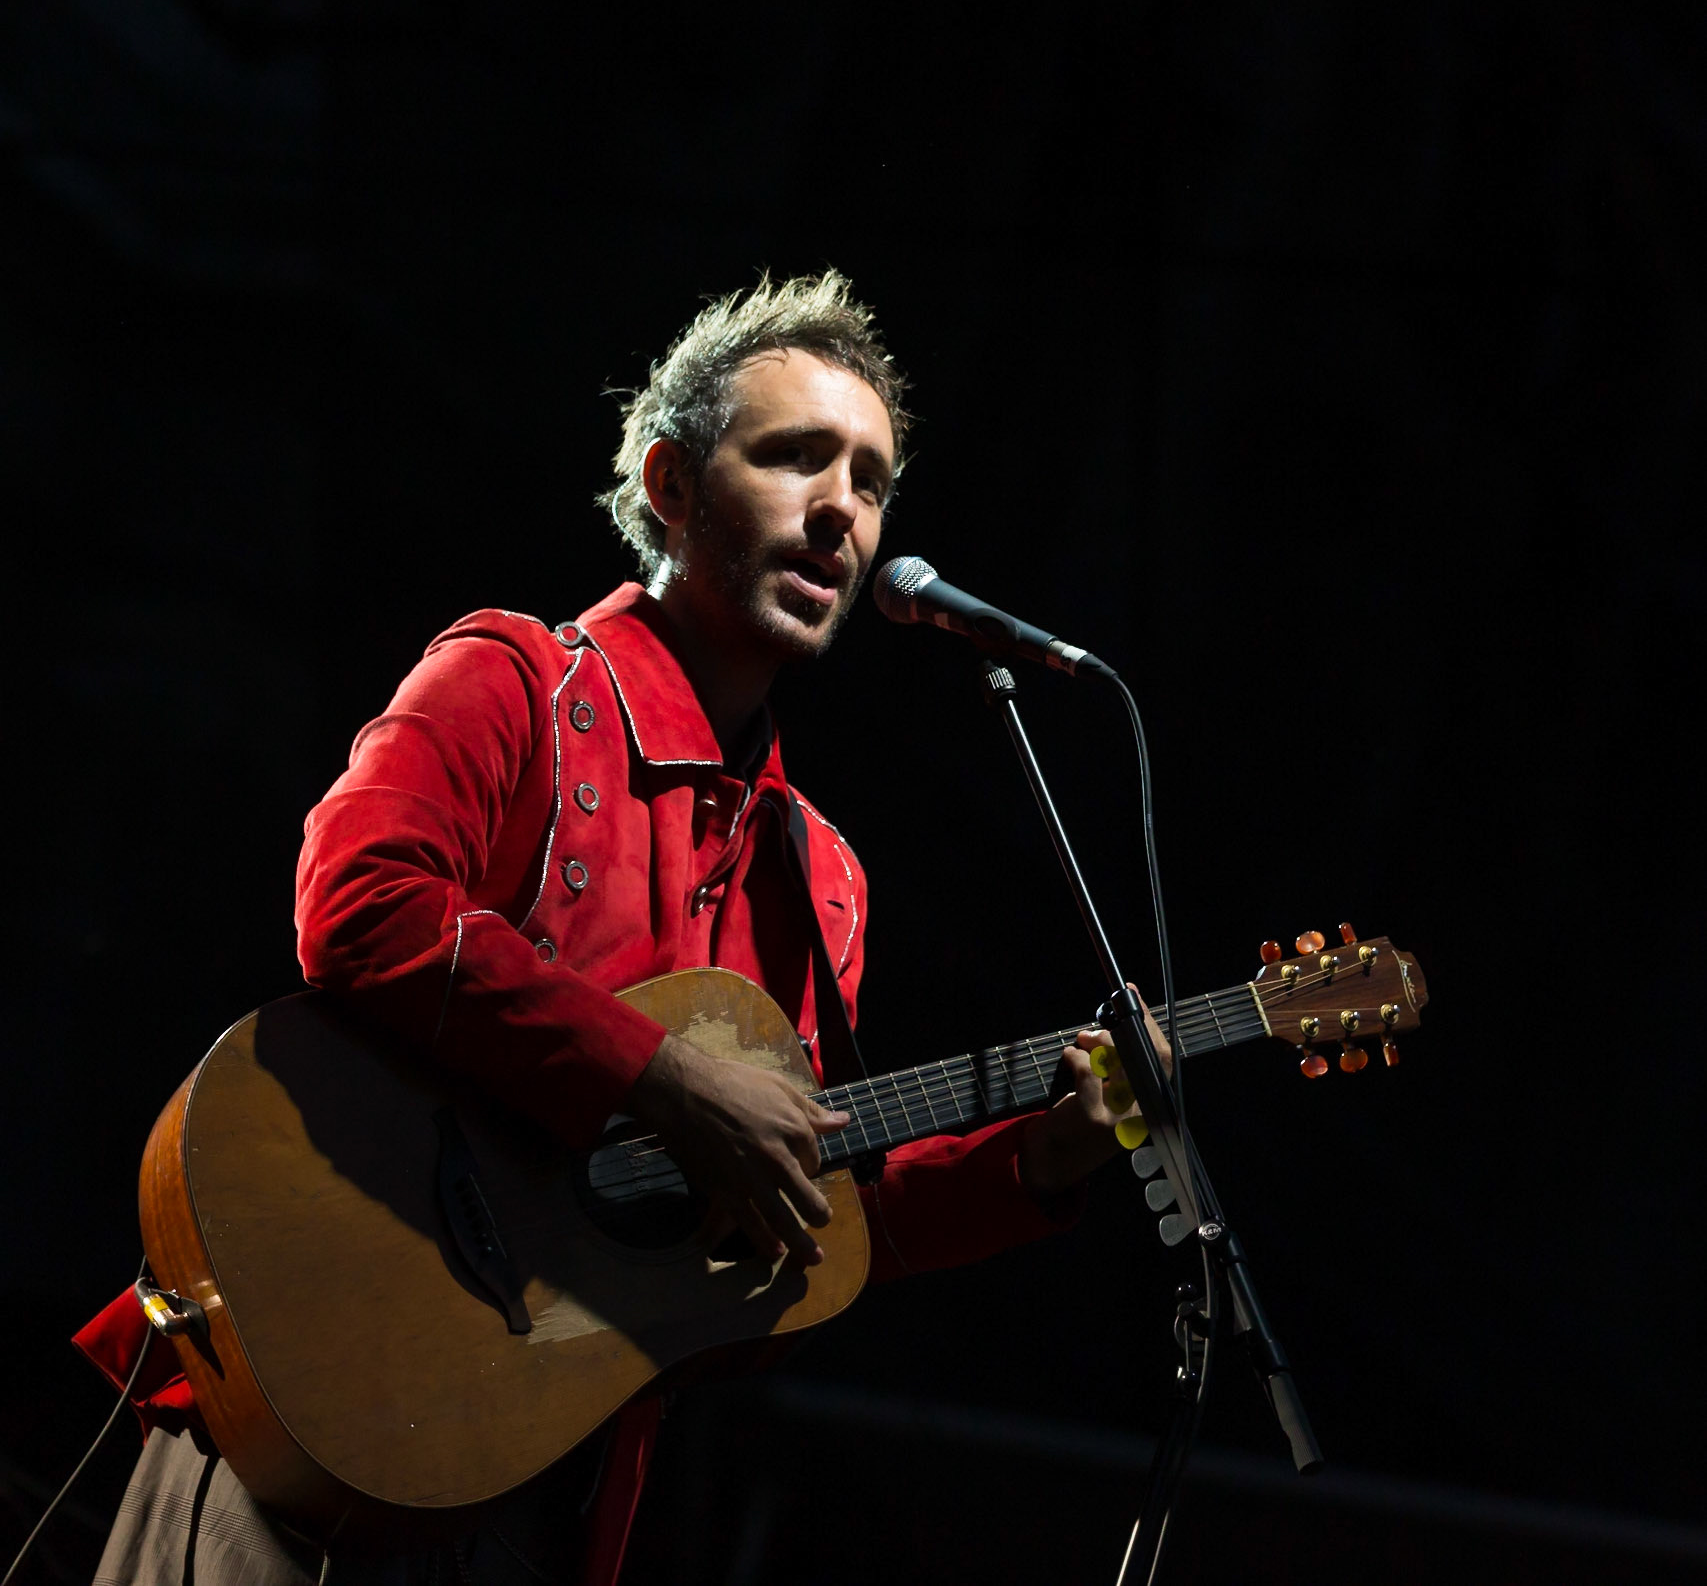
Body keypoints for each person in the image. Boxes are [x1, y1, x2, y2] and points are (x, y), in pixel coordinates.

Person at [75, 272, 1148, 1585]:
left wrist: (1038, 1159)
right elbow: (359, 900)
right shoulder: (513, 680)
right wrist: (662, 1078)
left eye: (870, 482)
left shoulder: (822, 885)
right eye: (796, 457)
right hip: (315, 1416)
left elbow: (789, 1240)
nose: (841, 516)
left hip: (538, 1493)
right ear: (672, 487)